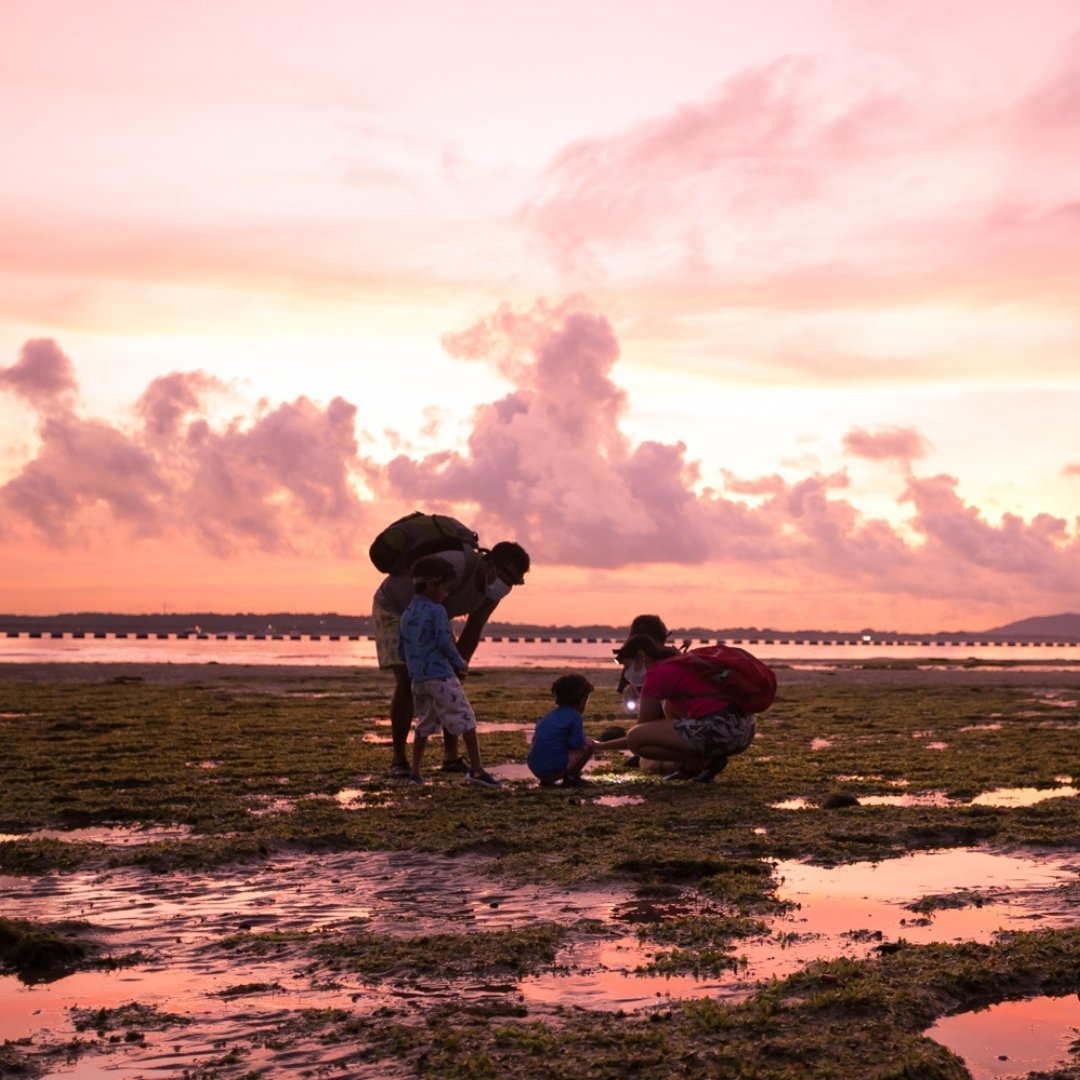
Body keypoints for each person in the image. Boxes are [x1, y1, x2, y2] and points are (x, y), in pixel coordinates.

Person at [373, 538, 530, 777]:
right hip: (397, 608)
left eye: (513, 583)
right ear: (489, 563)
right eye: (506, 578)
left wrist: (459, 668)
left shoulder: (491, 592)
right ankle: (399, 761)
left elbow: (474, 626)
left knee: (450, 682)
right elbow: (420, 597)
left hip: (436, 617)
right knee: (406, 679)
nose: (506, 586)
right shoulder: (454, 566)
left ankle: (451, 757)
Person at [397, 556, 501, 788]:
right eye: (445, 587)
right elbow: (444, 641)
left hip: (418, 680)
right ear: (433, 584)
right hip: (440, 676)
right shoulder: (437, 611)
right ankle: (476, 769)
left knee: (423, 724)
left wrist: (414, 667)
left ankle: (415, 772)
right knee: (466, 718)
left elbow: (401, 649)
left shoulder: (406, 614)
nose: (446, 593)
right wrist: (460, 662)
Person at [595, 633, 756, 782]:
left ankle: (704, 761)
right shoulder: (675, 663)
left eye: (627, 666)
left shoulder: (656, 675)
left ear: (641, 657)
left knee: (637, 740)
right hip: (744, 731)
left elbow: (640, 733)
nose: (626, 673)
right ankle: (692, 766)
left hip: (722, 732)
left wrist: (600, 746)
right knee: (670, 706)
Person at [527, 673, 597, 788]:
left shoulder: (550, 715)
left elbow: (535, 740)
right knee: (589, 744)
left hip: (535, 767)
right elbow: (577, 743)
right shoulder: (575, 716)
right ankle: (571, 778)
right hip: (554, 768)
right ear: (582, 700)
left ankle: (546, 781)